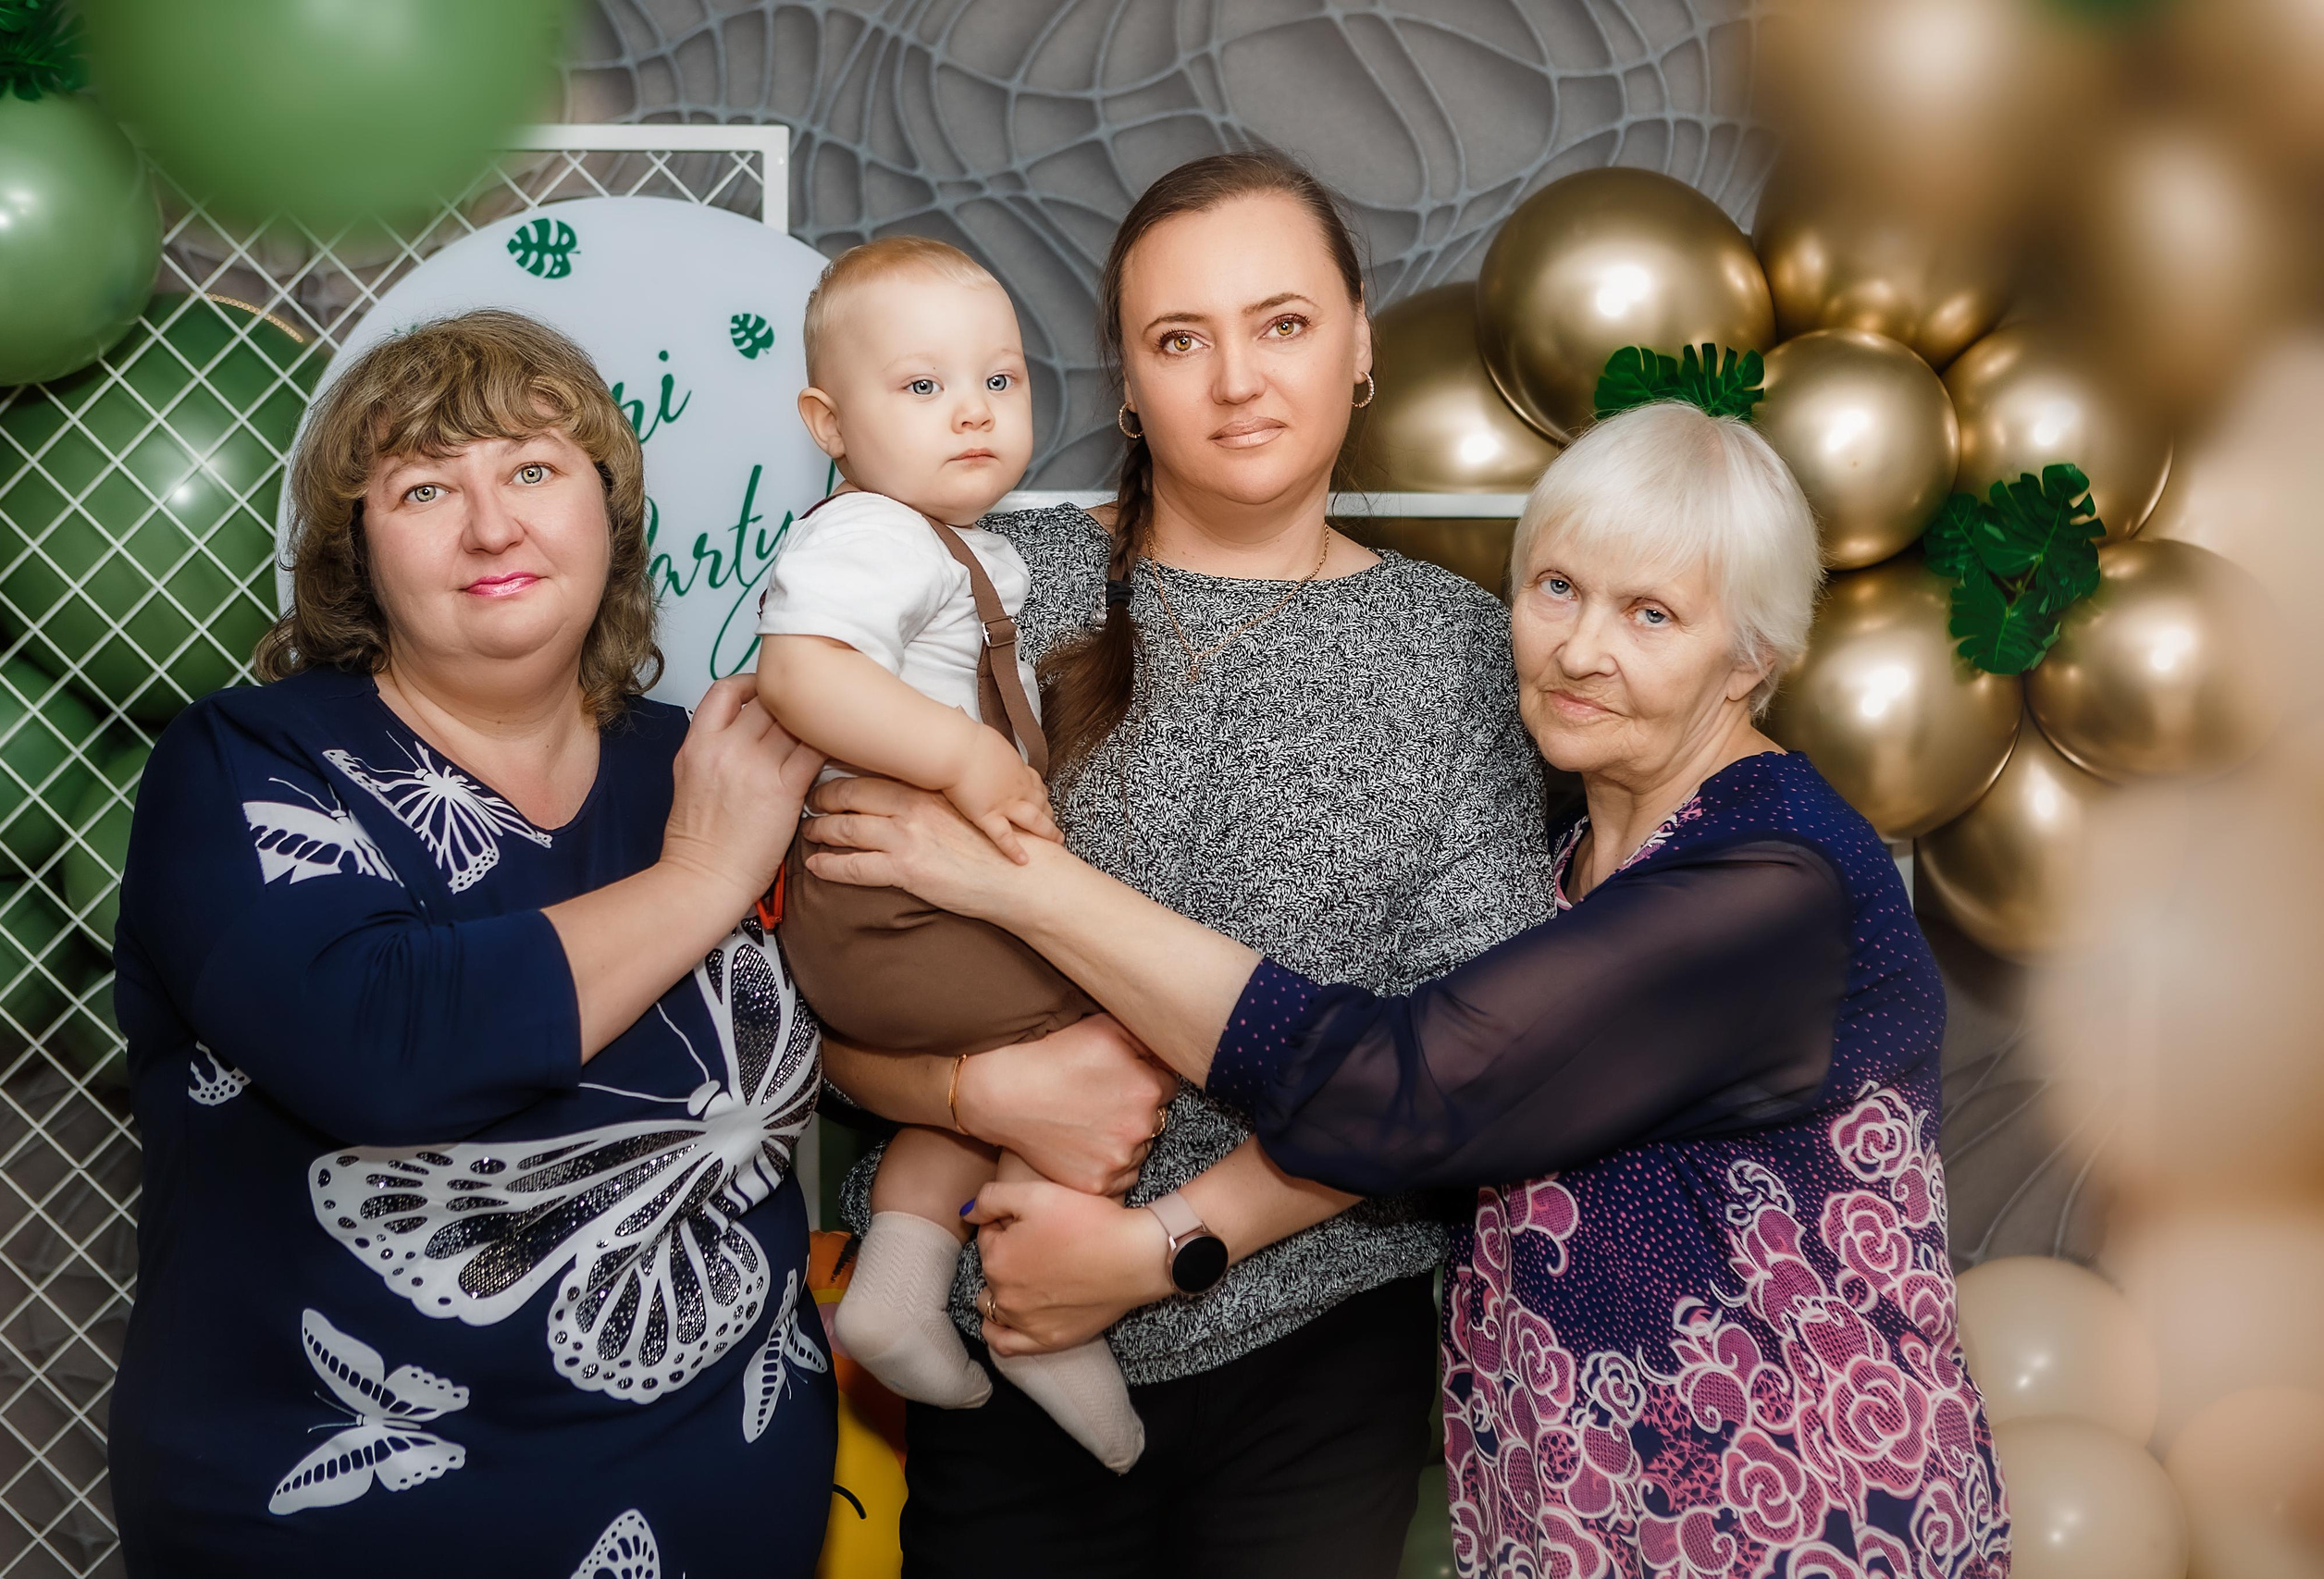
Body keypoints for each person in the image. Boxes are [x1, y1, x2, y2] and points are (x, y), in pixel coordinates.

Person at [805, 399, 2012, 1577]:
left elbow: (1396, 1094)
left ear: (1753, 657)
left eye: (1652, 613)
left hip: (1789, 1502)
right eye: (1557, 588)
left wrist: (1023, 884)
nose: (1581, 648)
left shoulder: (1771, 882)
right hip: (1577, 1495)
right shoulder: (1573, 865)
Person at [818, 148, 1551, 1576]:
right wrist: (974, 1088)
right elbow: (824, 961)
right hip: (996, 1315)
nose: (1236, 380)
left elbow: (1465, 1065)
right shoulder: (981, 581)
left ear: (1360, 351)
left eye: (1282, 324)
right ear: (1126, 384)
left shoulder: (1460, 654)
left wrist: (1169, 1241)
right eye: (1180, 339)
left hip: (1316, 1335)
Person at [106, 311, 837, 1577]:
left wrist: (976, 1086)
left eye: (536, 471)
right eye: (427, 487)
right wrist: (706, 875)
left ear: (609, 512)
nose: (492, 526)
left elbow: (862, 1009)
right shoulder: (247, 763)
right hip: (335, 1521)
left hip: (723, 1507)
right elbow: (383, 1043)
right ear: (357, 553)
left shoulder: (709, 759)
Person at [754, 235, 1140, 1471]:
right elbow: (800, 672)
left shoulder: (953, 545)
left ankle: (901, 1282)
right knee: (1113, 1013)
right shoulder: (869, 535)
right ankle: (1038, 1315)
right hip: (895, 903)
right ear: (829, 420)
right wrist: (970, 762)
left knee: (994, 1059)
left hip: (894, 918)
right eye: (921, 388)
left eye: (1000, 380)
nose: (970, 412)